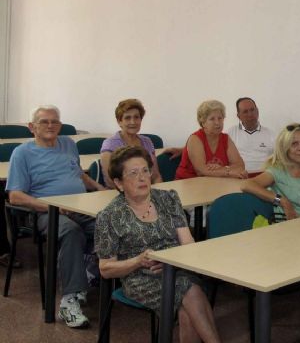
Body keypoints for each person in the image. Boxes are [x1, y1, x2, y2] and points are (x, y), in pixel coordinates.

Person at [95, 146, 220, 343]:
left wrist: (173, 261)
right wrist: (137, 261)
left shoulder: (168, 199)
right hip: (140, 277)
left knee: (186, 301)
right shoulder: (110, 216)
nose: (142, 177)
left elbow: (188, 245)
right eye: (133, 173)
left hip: (178, 269)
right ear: (118, 183)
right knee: (190, 291)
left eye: (145, 170)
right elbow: (105, 269)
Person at [6, 105, 105, 328]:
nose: (51, 126)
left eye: (55, 121)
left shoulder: (69, 144)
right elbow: (15, 196)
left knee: (109, 224)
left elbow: (78, 173)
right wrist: (53, 207)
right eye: (44, 122)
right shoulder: (22, 153)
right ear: (32, 127)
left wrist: (100, 189)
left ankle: (90, 272)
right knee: (71, 231)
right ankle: (69, 300)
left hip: (79, 207)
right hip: (44, 211)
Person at [175, 99, 248, 180]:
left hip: (215, 183)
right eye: (212, 119)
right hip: (188, 183)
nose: (217, 122)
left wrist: (221, 168)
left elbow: (240, 166)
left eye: (220, 118)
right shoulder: (195, 139)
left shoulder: (225, 138)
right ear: (203, 123)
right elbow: (201, 171)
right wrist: (228, 172)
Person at [100, 98, 162, 188]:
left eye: (136, 117)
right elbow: (112, 182)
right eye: (127, 118)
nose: (133, 122)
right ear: (119, 122)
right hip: (122, 194)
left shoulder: (147, 142)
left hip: (147, 191)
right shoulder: (110, 145)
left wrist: (159, 195)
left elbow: (156, 176)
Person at [227, 97, 275, 177]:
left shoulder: (271, 134)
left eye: (252, 110)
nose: (250, 114)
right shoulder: (229, 134)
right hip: (238, 177)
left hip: (264, 177)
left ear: (257, 111)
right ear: (239, 116)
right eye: (245, 112)